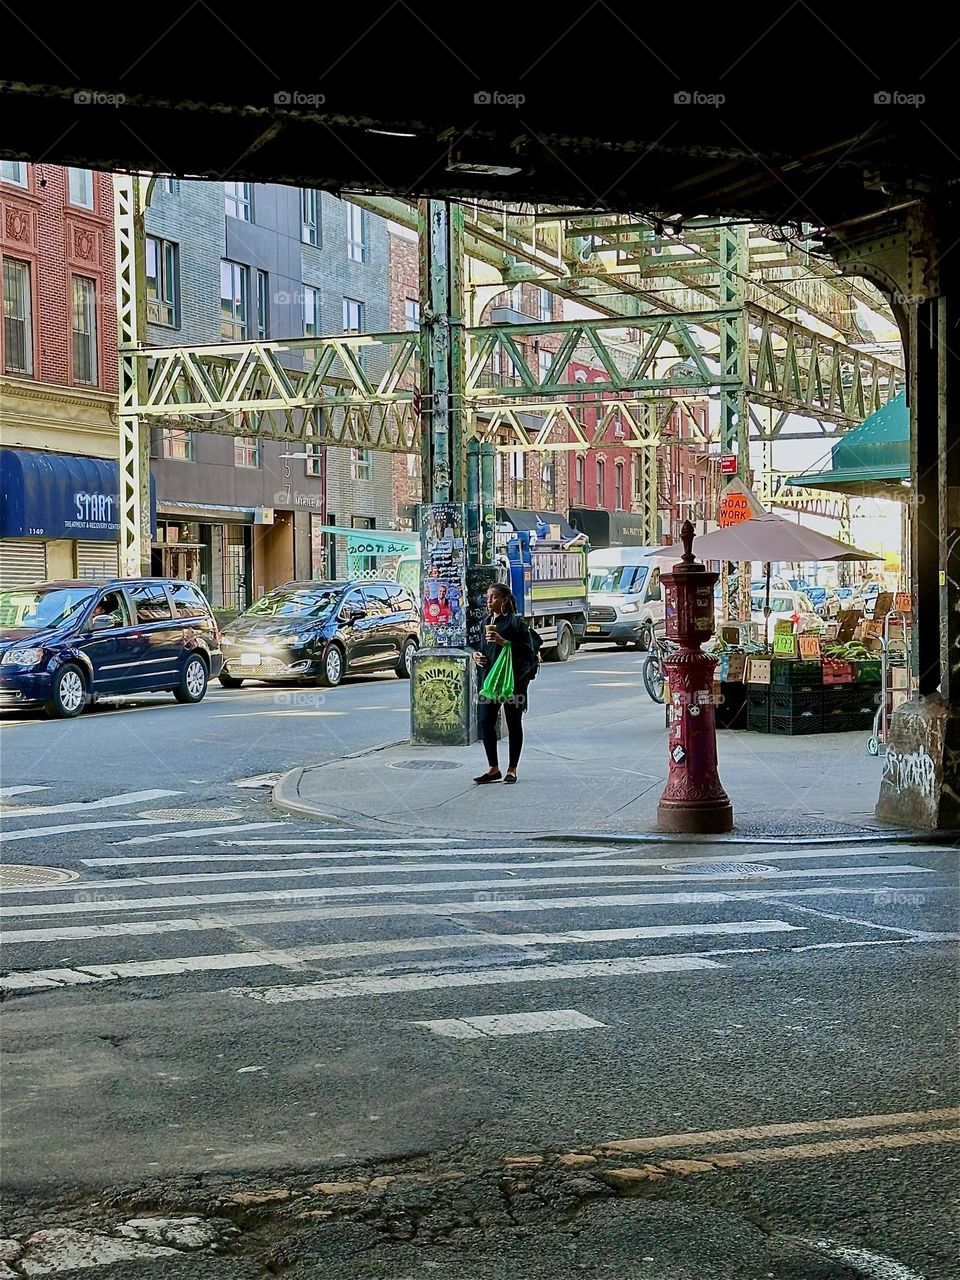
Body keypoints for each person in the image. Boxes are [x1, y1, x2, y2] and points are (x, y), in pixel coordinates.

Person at [472, 582, 536, 785]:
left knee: (513, 722)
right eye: (487, 596)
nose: (489, 600)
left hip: (513, 682)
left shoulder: (516, 623)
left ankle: (512, 768)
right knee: (485, 721)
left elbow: (528, 650)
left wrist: (505, 642)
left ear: (504, 600)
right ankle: (493, 768)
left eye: (493, 597)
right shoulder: (485, 621)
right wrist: (476, 655)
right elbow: (479, 646)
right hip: (490, 681)